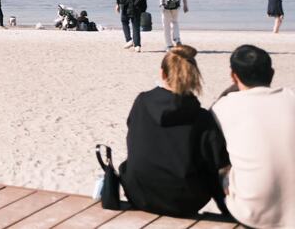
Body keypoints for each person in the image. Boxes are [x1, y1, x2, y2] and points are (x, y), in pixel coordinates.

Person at [119, 45, 229, 217]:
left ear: (162, 74)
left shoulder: (142, 102)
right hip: (183, 201)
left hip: (138, 193)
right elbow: (217, 161)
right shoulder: (201, 117)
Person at [211, 45, 295, 229]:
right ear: (272, 73)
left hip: (253, 214)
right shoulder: (291, 97)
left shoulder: (223, 107)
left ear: (233, 76)